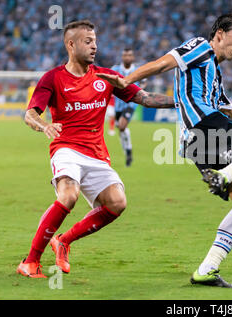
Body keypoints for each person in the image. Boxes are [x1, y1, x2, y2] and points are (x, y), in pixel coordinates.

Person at [97, 14, 232, 288]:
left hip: (196, 142)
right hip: (204, 126)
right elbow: (162, 64)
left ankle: (207, 270)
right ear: (219, 35)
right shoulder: (201, 47)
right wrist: (126, 80)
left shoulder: (215, 75)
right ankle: (224, 177)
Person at [17, 20, 174, 278]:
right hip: (66, 148)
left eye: (95, 41)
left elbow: (144, 98)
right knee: (68, 195)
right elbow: (30, 114)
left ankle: (63, 241)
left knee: (117, 203)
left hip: (96, 154)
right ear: (71, 44)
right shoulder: (53, 78)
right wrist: (44, 126)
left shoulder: (106, 77)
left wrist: (180, 101)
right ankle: (30, 261)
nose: (94, 46)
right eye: (87, 41)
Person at [111, 48, 147, 166]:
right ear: (122, 57)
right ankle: (127, 151)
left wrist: (141, 91)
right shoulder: (115, 69)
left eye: (129, 55)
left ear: (133, 57)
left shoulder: (138, 70)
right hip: (118, 104)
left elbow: (143, 82)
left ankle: (129, 150)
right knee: (121, 130)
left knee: (122, 126)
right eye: (125, 55)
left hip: (131, 102)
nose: (127, 57)